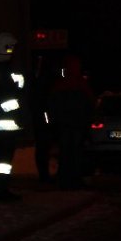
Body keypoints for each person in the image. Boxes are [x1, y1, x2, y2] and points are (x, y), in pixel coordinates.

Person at [0, 31, 26, 202]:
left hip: (4, 119)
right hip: (8, 120)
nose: (13, 51)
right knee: (4, 156)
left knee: (1, 155)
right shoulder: (2, 69)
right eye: (11, 48)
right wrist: (19, 109)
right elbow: (4, 97)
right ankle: (0, 188)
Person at [47, 54, 95, 190]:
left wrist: (53, 121)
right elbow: (90, 104)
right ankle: (74, 179)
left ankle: (65, 179)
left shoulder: (59, 85)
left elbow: (52, 105)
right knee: (75, 152)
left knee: (66, 152)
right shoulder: (81, 85)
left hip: (65, 125)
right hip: (76, 125)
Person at [30, 55, 59, 183]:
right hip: (45, 119)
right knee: (44, 147)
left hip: (44, 118)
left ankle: (45, 174)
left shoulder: (40, 80)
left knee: (44, 148)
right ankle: (45, 175)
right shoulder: (46, 80)